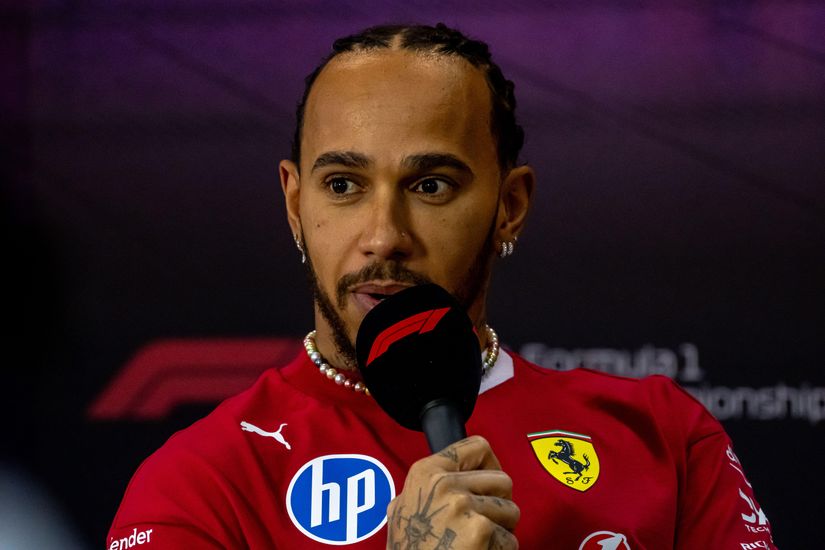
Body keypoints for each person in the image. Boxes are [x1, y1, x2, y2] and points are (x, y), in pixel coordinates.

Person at [107, 23, 777, 549]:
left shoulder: (661, 436)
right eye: (342, 186)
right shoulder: (199, 482)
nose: (383, 234)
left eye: (430, 186)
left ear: (509, 205)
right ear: (293, 203)